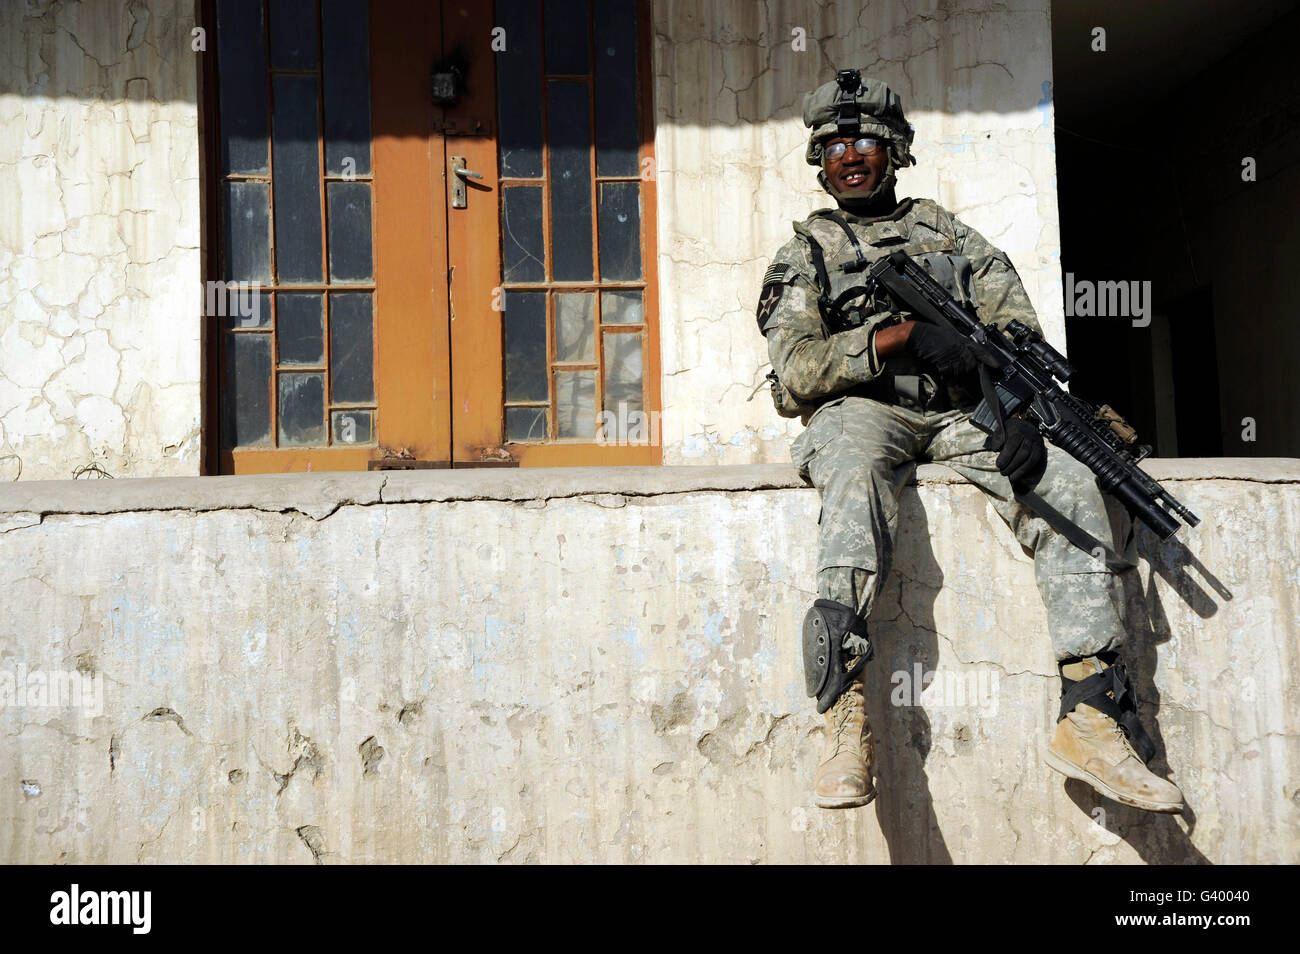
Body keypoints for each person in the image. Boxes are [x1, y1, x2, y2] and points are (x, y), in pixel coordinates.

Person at [755, 71, 1184, 813]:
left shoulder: (952, 237)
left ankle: (1089, 716)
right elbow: (797, 368)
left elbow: (1017, 338)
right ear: (818, 162)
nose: (849, 156)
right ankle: (844, 722)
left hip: (962, 416)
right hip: (863, 411)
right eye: (832, 146)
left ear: (894, 152)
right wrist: (896, 338)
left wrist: (1019, 416)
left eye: (863, 141)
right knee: (853, 473)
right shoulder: (808, 254)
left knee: (1070, 483)